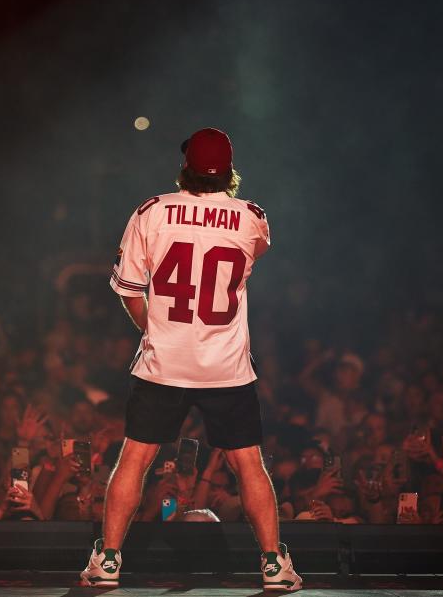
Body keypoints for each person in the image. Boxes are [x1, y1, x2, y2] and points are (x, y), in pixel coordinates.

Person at [81, 128, 302, 591]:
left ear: (184, 167)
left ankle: (108, 560)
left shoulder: (152, 211)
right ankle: (272, 565)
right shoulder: (251, 218)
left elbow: (127, 289)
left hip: (164, 361)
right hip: (226, 364)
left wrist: (155, 330)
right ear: (229, 171)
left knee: (136, 458)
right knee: (248, 464)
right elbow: (247, 261)